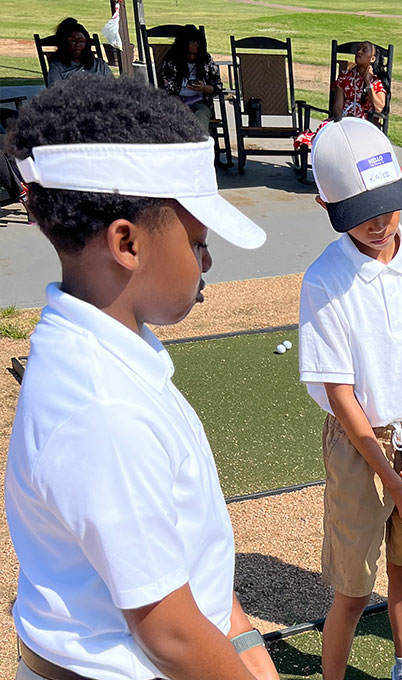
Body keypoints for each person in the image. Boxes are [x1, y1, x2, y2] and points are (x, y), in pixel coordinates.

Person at [4, 74, 277, 680]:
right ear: (126, 243)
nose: (208, 260)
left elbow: (184, 553)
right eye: (198, 242)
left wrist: (240, 633)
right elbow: (169, 633)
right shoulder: (103, 409)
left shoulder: (111, 357)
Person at [298, 117, 402, 680]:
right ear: (326, 206)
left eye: (388, 205)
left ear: (400, 177)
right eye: (359, 212)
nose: (378, 222)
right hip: (361, 447)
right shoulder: (324, 279)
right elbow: (340, 394)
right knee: (352, 588)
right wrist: (393, 481)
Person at [160, 24, 223, 131]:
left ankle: (199, 140)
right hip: (178, 102)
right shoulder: (171, 61)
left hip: (200, 102)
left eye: (195, 54)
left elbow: (218, 86)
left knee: (201, 114)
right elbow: (167, 89)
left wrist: (205, 88)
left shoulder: (206, 60)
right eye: (188, 53)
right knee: (179, 113)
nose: (192, 57)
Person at [45, 17, 114, 86]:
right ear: (65, 43)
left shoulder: (99, 65)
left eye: (81, 41)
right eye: (72, 41)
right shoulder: (57, 67)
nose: (77, 44)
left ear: (86, 44)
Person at [330, 41, 387, 122]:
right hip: (344, 121)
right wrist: (341, 123)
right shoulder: (345, 77)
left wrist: (368, 82)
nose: (359, 52)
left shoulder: (376, 82)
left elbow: (378, 108)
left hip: (365, 125)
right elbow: (337, 107)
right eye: (358, 49)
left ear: (372, 59)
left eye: (364, 50)